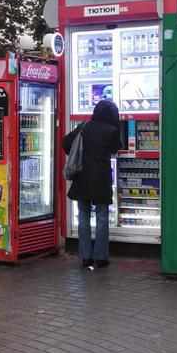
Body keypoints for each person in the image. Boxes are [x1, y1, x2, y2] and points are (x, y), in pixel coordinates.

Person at [62, 99, 121, 270]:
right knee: (102, 217)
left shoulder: (84, 127)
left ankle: (85, 256)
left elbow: (66, 143)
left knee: (83, 216)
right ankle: (100, 257)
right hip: (101, 179)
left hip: (82, 177)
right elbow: (115, 148)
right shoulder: (112, 130)